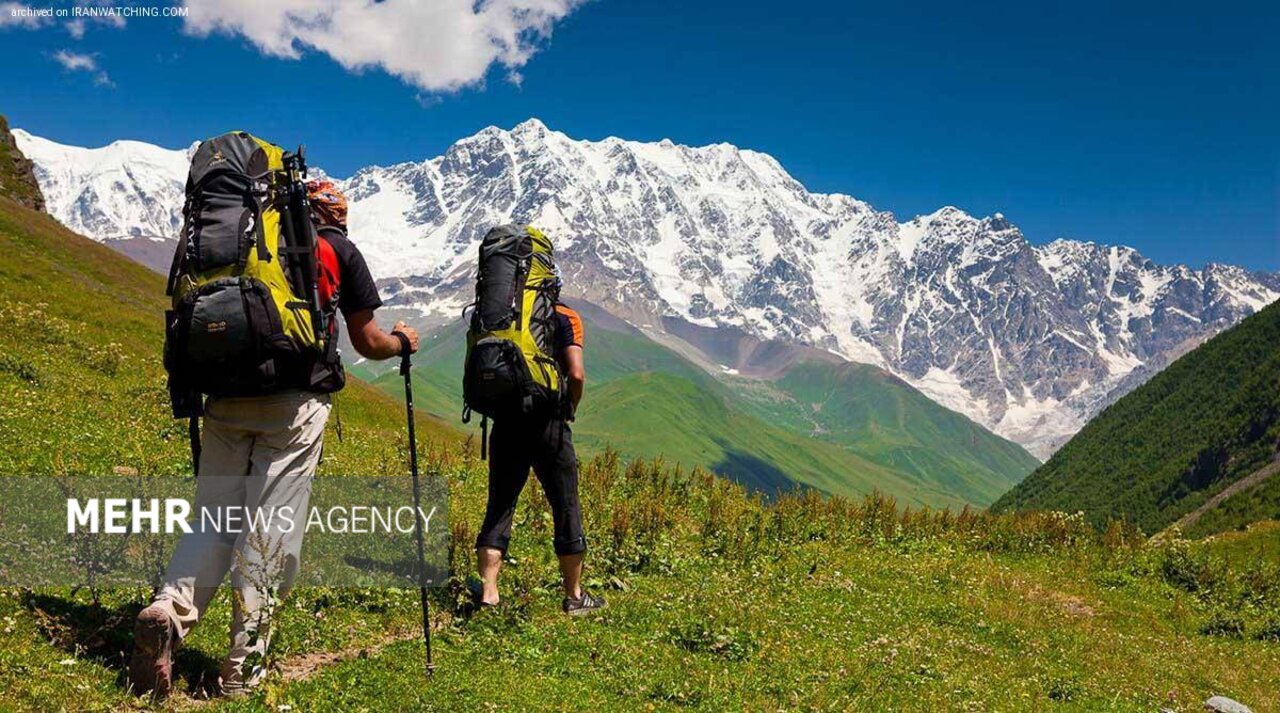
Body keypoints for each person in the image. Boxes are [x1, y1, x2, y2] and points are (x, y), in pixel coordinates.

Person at [129, 179, 419, 699]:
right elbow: (367, 340)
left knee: (213, 520)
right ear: (336, 214)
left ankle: (167, 611)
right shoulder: (334, 247)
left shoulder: (239, 243)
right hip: (293, 405)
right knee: (269, 533)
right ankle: (243, 671)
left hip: (223, 400)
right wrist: (401, 342)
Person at [473, 296, 606, 615]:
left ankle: (489, 594)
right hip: (549, 423)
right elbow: (576, 375)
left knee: (500, 506)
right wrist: (569, 407)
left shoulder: (500, 315)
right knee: (565, 505)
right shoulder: (564, 316)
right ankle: (574, 596)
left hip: (506, 421)